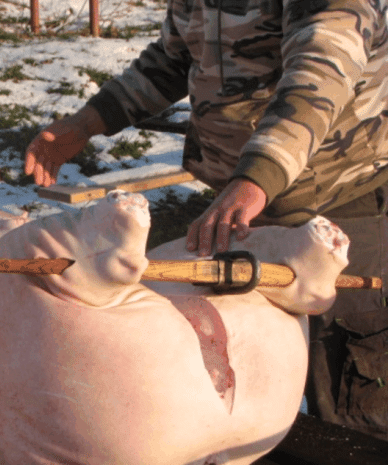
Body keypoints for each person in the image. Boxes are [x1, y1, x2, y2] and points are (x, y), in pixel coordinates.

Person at [24, 0, 388, 440]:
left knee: (347, 402)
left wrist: (256, 179)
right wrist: (85, 123)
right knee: (250, 383)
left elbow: (322, 71)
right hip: (244, 203)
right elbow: (171, 60)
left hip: (340, 202)